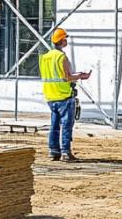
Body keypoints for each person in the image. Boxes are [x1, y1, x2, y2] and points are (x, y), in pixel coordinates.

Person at [40, 28, 91, 162]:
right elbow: (66, 77)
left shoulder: (45, 58)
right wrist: (81, 76)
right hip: (64, 96)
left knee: (54, 125)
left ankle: (53, 151)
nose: (66, 41)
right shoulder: (61, 57)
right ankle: (66, 153)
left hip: (51, 96)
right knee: (67, 125)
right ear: (62, 41)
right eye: (65, 39)